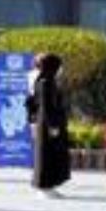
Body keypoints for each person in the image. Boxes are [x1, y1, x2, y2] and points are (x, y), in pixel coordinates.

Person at [31, 54, 71, 198]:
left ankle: (50, 185)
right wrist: (52, 126)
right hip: (48, 124)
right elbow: (46, 107)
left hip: (50, 123)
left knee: (52, 155)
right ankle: (44, 186)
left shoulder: (50, 81)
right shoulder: (45, 82)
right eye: (59, 66)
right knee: (46, 156)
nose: (61, 70)